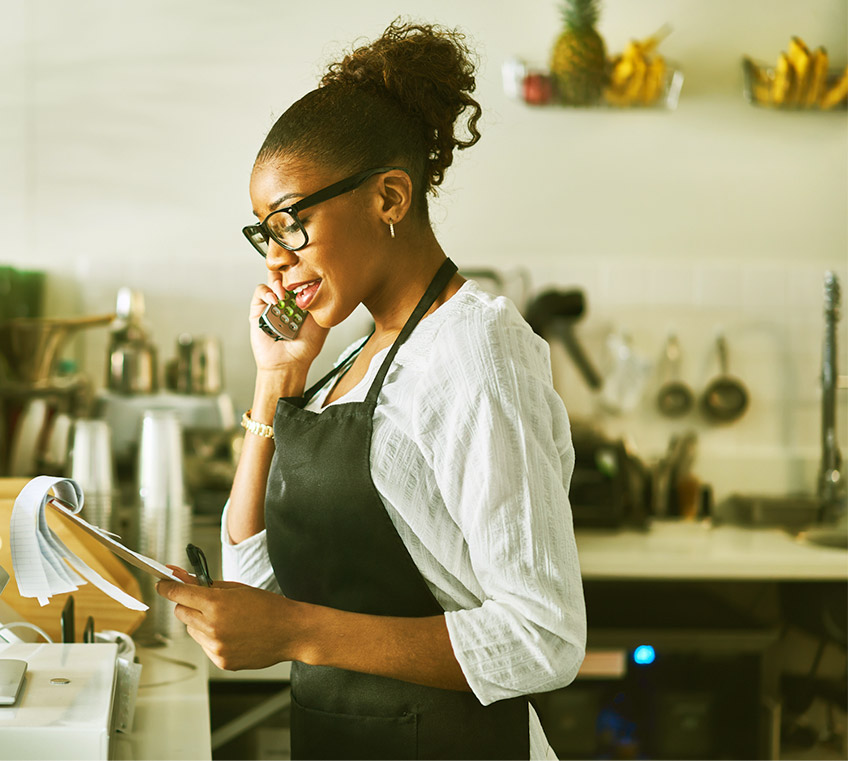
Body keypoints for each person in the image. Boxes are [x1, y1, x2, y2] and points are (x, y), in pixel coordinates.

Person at [156, 20, 586, 760]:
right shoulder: (348, 357)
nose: (279, 261)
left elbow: (543, 636)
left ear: (388, 196)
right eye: (266, 235)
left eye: (292, 224)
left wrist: (295, 632)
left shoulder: (476, 347)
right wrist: (275, 379)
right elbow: (255, 576)